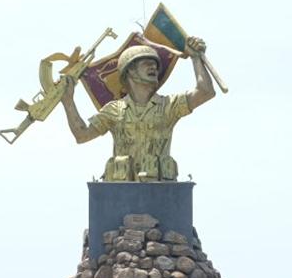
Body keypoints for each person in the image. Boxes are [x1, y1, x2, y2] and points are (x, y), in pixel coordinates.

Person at [60, 36, 216, 181]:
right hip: (121, 193)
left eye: (155, 64)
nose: (153, 67)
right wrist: (68, 101)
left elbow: (205, 92)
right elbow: (82, 135)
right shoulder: (114, 110)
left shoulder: (169, 105)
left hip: (161, 191)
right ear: (130, 71)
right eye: (146, 63)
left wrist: (195, 58)